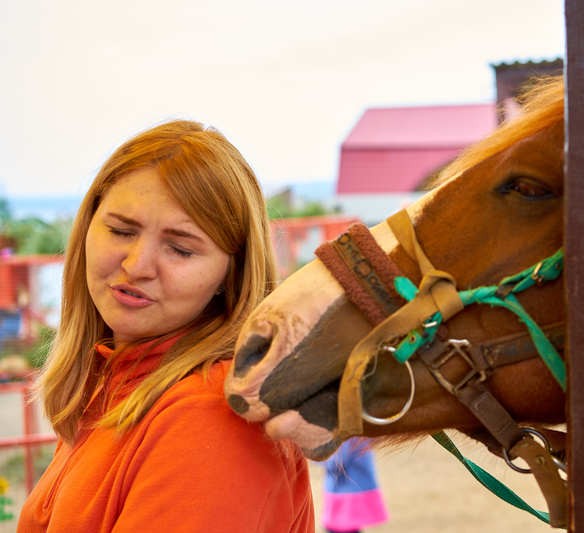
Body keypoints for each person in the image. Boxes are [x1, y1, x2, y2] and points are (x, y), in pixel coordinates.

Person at [17, 120, 315, 532]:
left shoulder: (209, 415)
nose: (136, 266)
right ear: (87, 226)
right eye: (122, 230)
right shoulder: (118, 382)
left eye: (180, 249)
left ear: (230, 276)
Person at [322, 439, 388, 533]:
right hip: (350, 491)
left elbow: (336, 463)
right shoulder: (360, 434)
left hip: (346, 494)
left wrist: (318, 458)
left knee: (341, 528)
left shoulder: (347, 437)